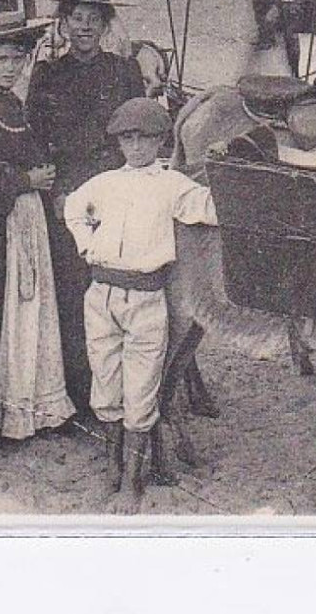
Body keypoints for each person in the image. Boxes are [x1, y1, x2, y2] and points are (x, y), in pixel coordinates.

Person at [63, 98, 218, 511]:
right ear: (119, 142)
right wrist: (87, 244)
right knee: (106, 385)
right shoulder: (105, 182)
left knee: (141, 391)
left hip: (147, 298)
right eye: (128, 138)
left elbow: (210, 208)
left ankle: (132, 483)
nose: (136, 147)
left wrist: (237, 183)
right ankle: (112, 470)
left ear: (161, 140)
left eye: (145, 138)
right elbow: (73, 209)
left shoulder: (173, 185)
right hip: (100, 296)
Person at [0, 12, 75, 439]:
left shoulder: (10, 101)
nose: (11, 67)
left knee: (31, 304)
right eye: (2, 58)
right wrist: (26, 180)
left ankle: (36, 403)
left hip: (25, 217)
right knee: (4, 306)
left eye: (17, 59)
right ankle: (3, 411)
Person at [26, 0, 145, 410]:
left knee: (119, 287)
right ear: (63, 23)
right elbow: (35, 136)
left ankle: (122, 388)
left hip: (115, 190)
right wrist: (58, 189)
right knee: (76, 291)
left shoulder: (123, 71)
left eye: (94, 20)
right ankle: (81, 392)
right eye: (76, 19)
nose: (84, 28)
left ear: (105, 24)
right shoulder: (47, 75)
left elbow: (140, 129)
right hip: (69, 196)